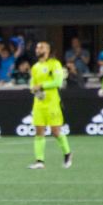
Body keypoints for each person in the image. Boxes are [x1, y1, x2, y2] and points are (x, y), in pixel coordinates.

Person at [28, 42, 72, 170]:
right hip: (39, 103)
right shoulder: (35, 67)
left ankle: (68, 154)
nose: (38, 49)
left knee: (55, 131)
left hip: (52, 103)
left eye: (41, 47)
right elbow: (32, 85)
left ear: (47, 50)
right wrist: (35, 91)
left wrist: (42, 86)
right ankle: (39, 161)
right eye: (36, 47)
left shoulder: (54, 64)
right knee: (39, 132)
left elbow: (58, 82)